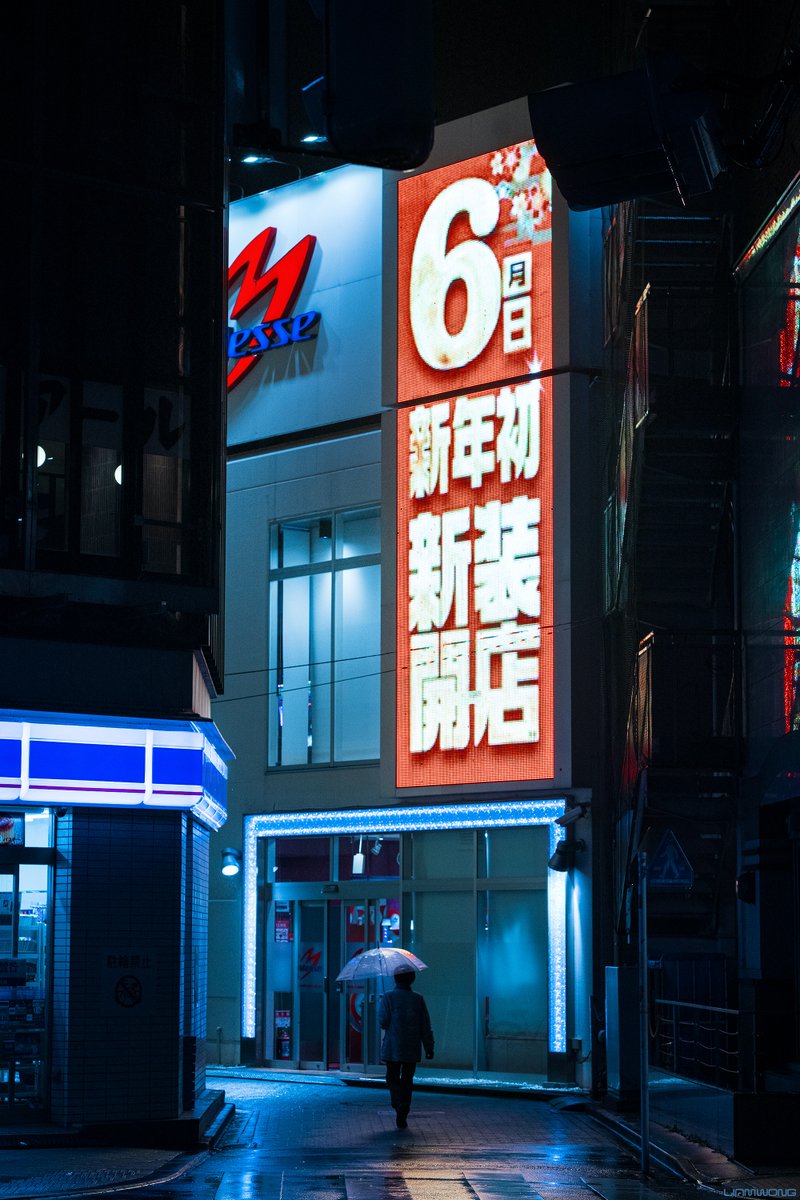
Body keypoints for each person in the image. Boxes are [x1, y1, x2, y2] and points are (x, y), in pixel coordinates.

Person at [378, 968, 434, 1129]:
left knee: (392, 1076)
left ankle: (397, 1101)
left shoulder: (388, 997)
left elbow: (383, 1022)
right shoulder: (418, 999)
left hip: (393, 1046)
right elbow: (425, 1025)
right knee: (408, 1079)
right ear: (412, 979)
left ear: (395, 979)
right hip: (412, 1047)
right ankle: (404, 1110)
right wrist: (429, 1047)